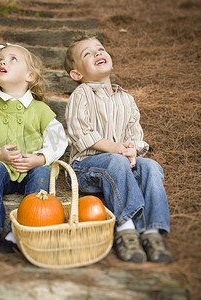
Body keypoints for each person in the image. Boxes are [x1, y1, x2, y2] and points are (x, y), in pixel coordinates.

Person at [63, 34, 172, 264]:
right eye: (87, 53)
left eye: (100, 49)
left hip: (122, 162)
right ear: (77, 74)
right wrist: (115, 149)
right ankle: (127, 229)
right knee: (116, 161)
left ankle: (153, 233)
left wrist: (133, 149)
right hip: (85, 167)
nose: (97, 53)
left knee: (151, 166)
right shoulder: (81, 94)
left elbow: (135, 136)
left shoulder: (127, 99)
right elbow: (79, 131)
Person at [0, 44, 68, 255]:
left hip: (32, 171)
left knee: (43, 174)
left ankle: (18, 230)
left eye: (13, 59)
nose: (3, 62)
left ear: (29, 75)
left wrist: (41, 158)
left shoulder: (40, 109)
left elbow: (59, 139)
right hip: (3, 172)